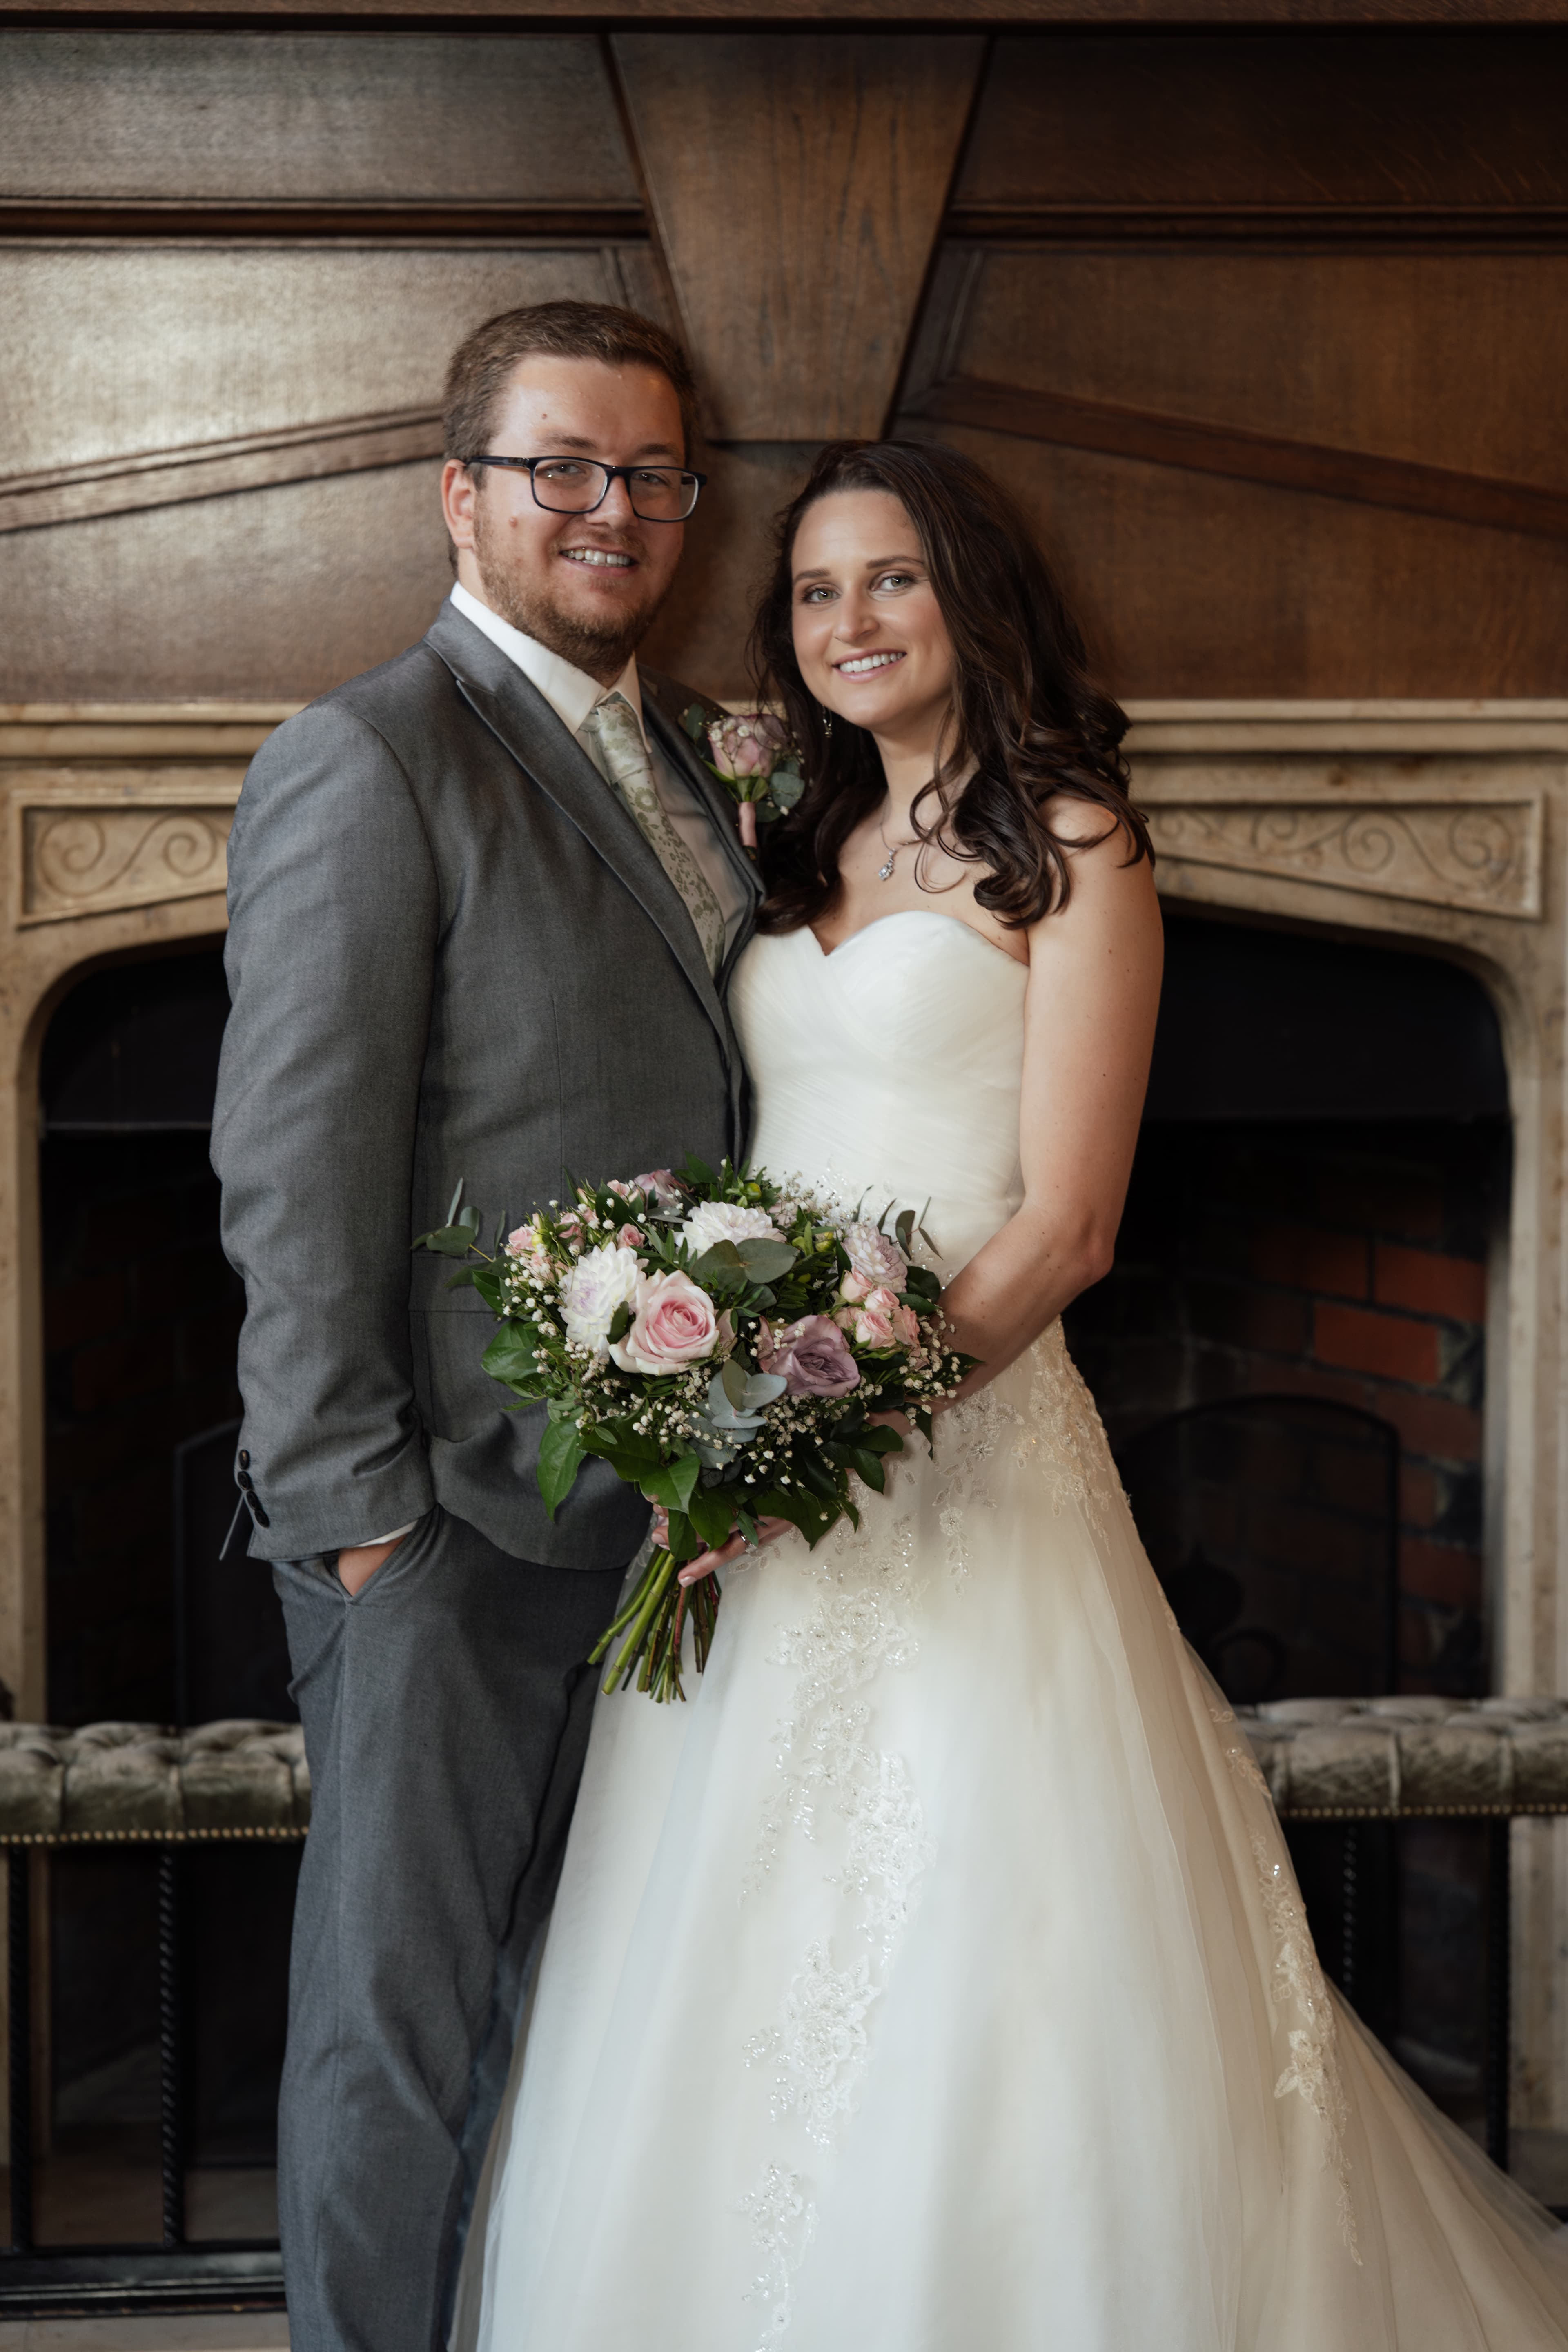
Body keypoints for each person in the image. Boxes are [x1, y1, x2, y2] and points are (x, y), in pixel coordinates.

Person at [458, 440, 1568, 2350]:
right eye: (816, 591)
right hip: (756, 1460)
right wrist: (711, 1409)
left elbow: (1067, 1228)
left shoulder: (1075, 845)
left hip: (954, 1446)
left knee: (983, 1912)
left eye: (891, 579)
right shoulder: (791, 840)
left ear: (970, 596)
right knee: (726, 1923)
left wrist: (827, 1431)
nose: (850, 622)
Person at [211, 299, 761, 2352]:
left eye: (652, 474)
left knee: (590, 2020)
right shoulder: (366, 758)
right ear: (462, 495)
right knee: (402, 2034)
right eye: (563, 468)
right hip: (447, 1520)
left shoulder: (697, 756)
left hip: (661, 1517)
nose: (612, 510)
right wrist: (366, 1525)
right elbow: (293, 1171)